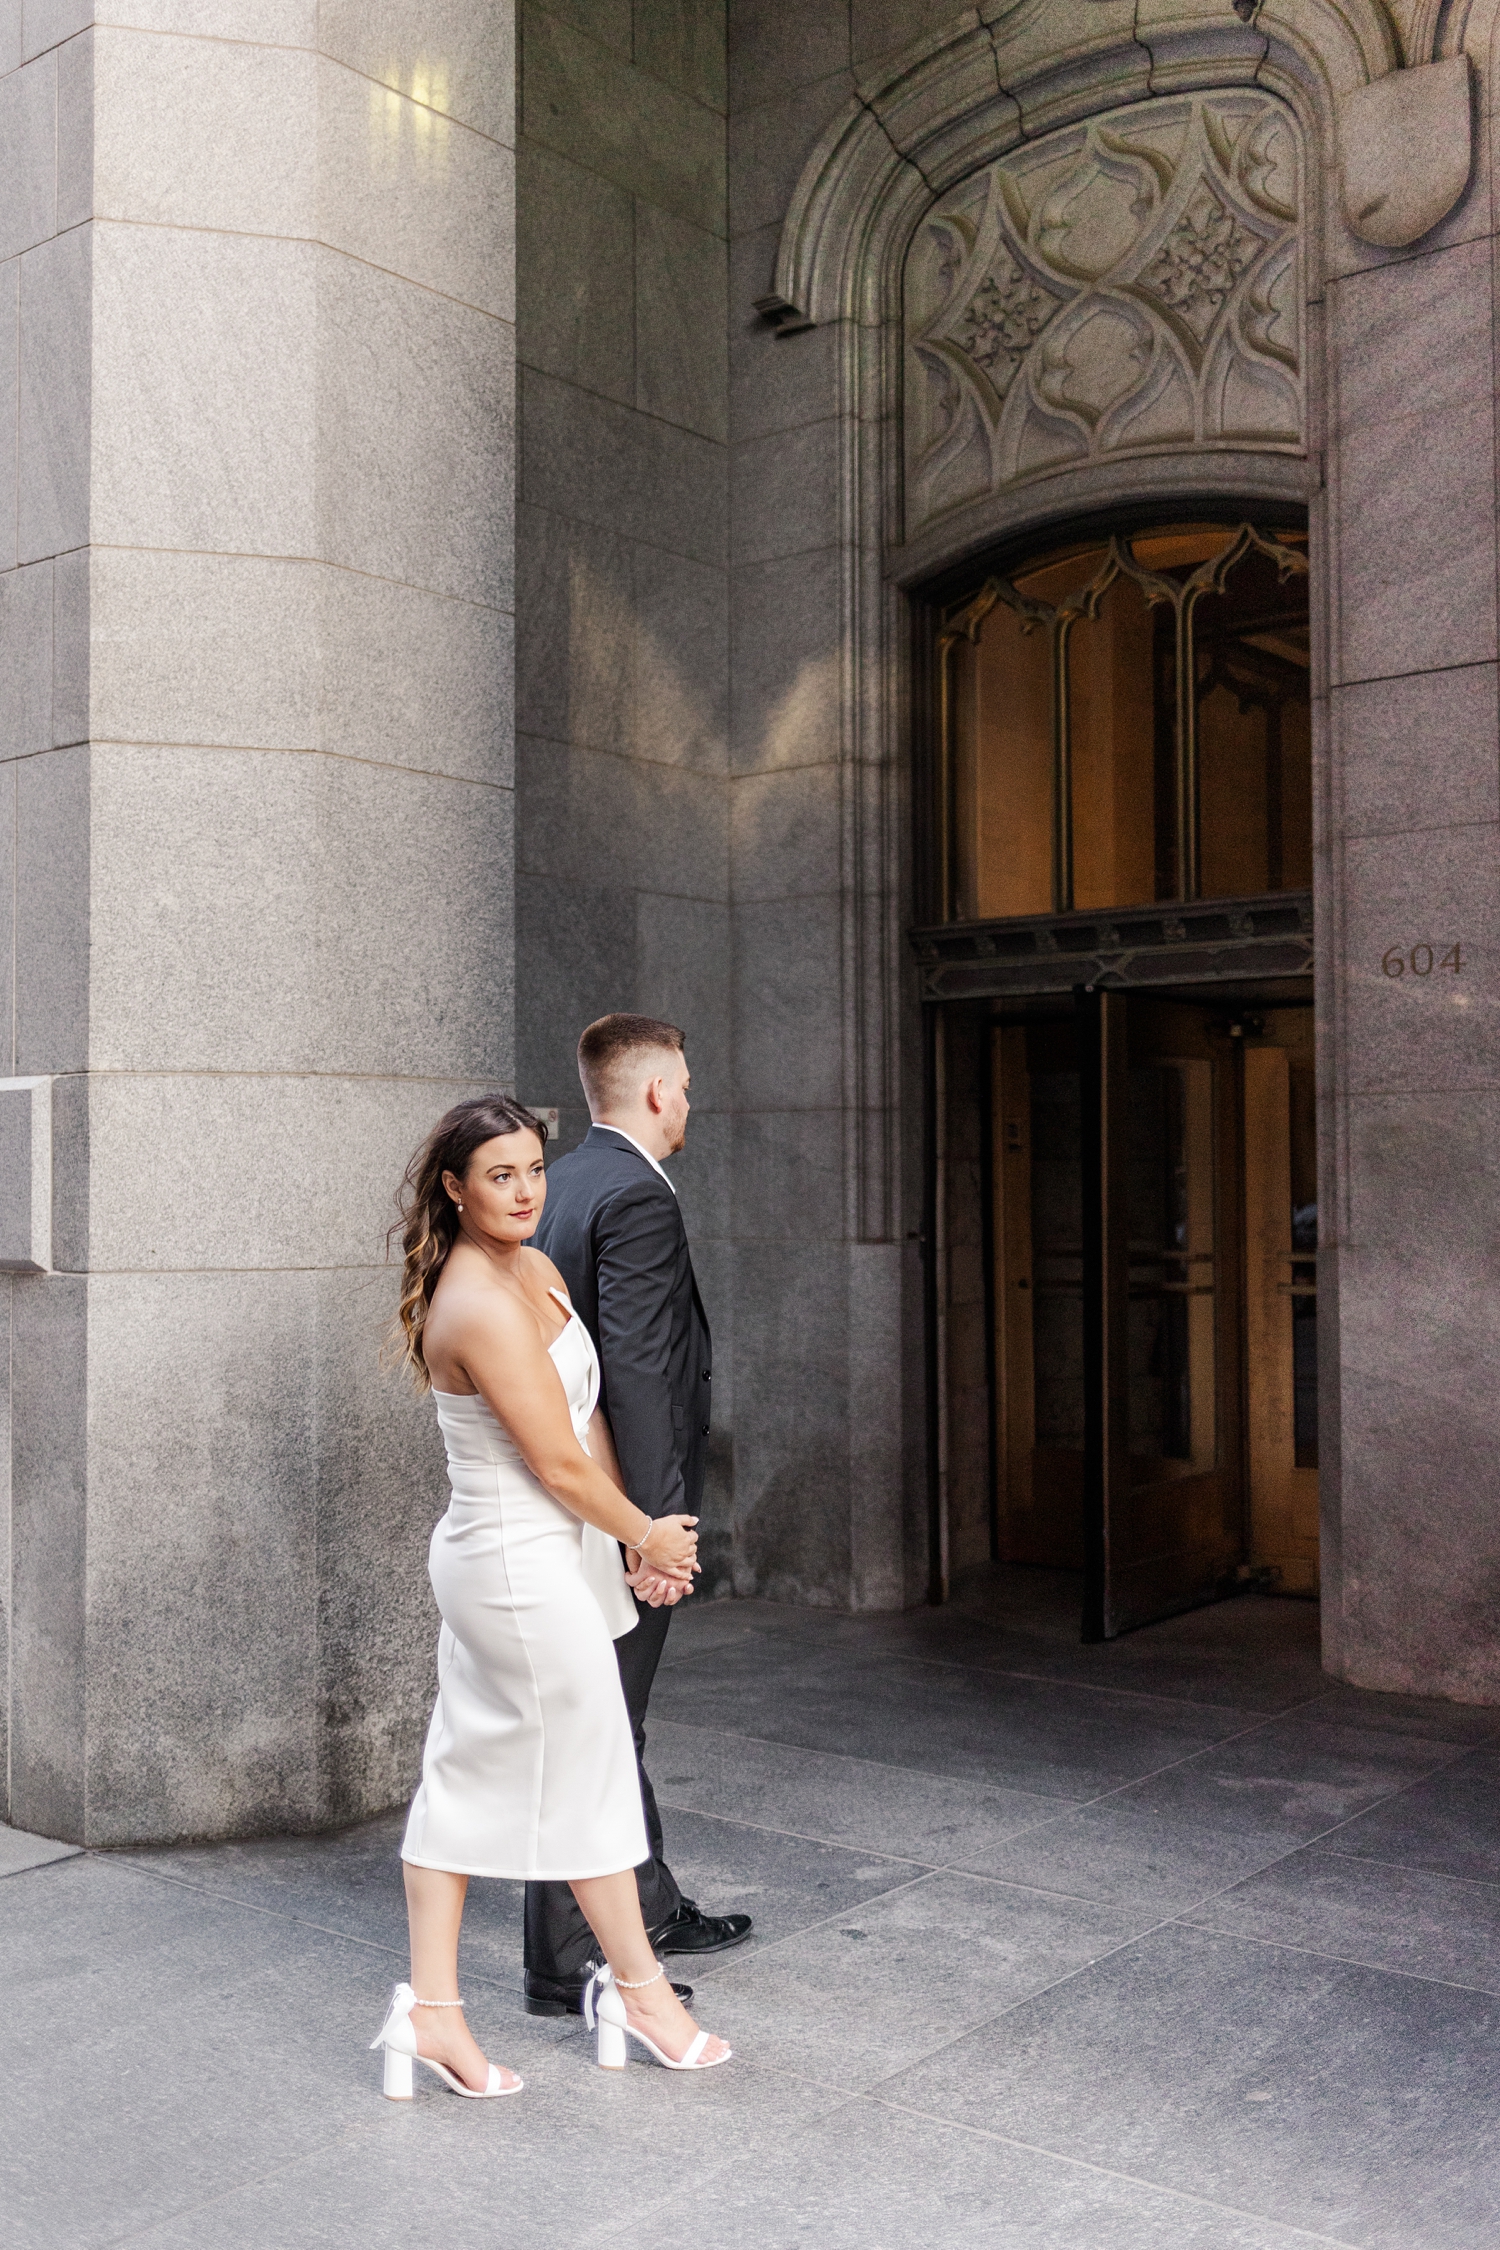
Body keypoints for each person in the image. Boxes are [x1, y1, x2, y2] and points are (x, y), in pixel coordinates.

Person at [368, 1095, 731, 2097]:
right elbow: (556, 1463)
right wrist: (645, 1531)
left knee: (469, 1773)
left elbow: (590, 1418)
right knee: (592, 1773)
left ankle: (433, 2015)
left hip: (554, 1554)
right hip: (512, 1567)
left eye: (534, 1169)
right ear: (454, 1187)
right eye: (500, 1175)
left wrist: (635, 1544)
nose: (526, 1191)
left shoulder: (533, 1267)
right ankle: (639, 1993)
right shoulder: (476, 1301)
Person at [523, 1014, 753, 2020]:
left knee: (609, 1723)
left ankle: (647, 1903)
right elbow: (643, 1373)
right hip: (613, 1511)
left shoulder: (562, 1183)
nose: (691, 1102)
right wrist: (654, 1532)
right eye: (688, 1086)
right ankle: (564, 1959)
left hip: (564, 1496)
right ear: (657, 1092)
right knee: (594, 1728)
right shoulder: (636, 1195)